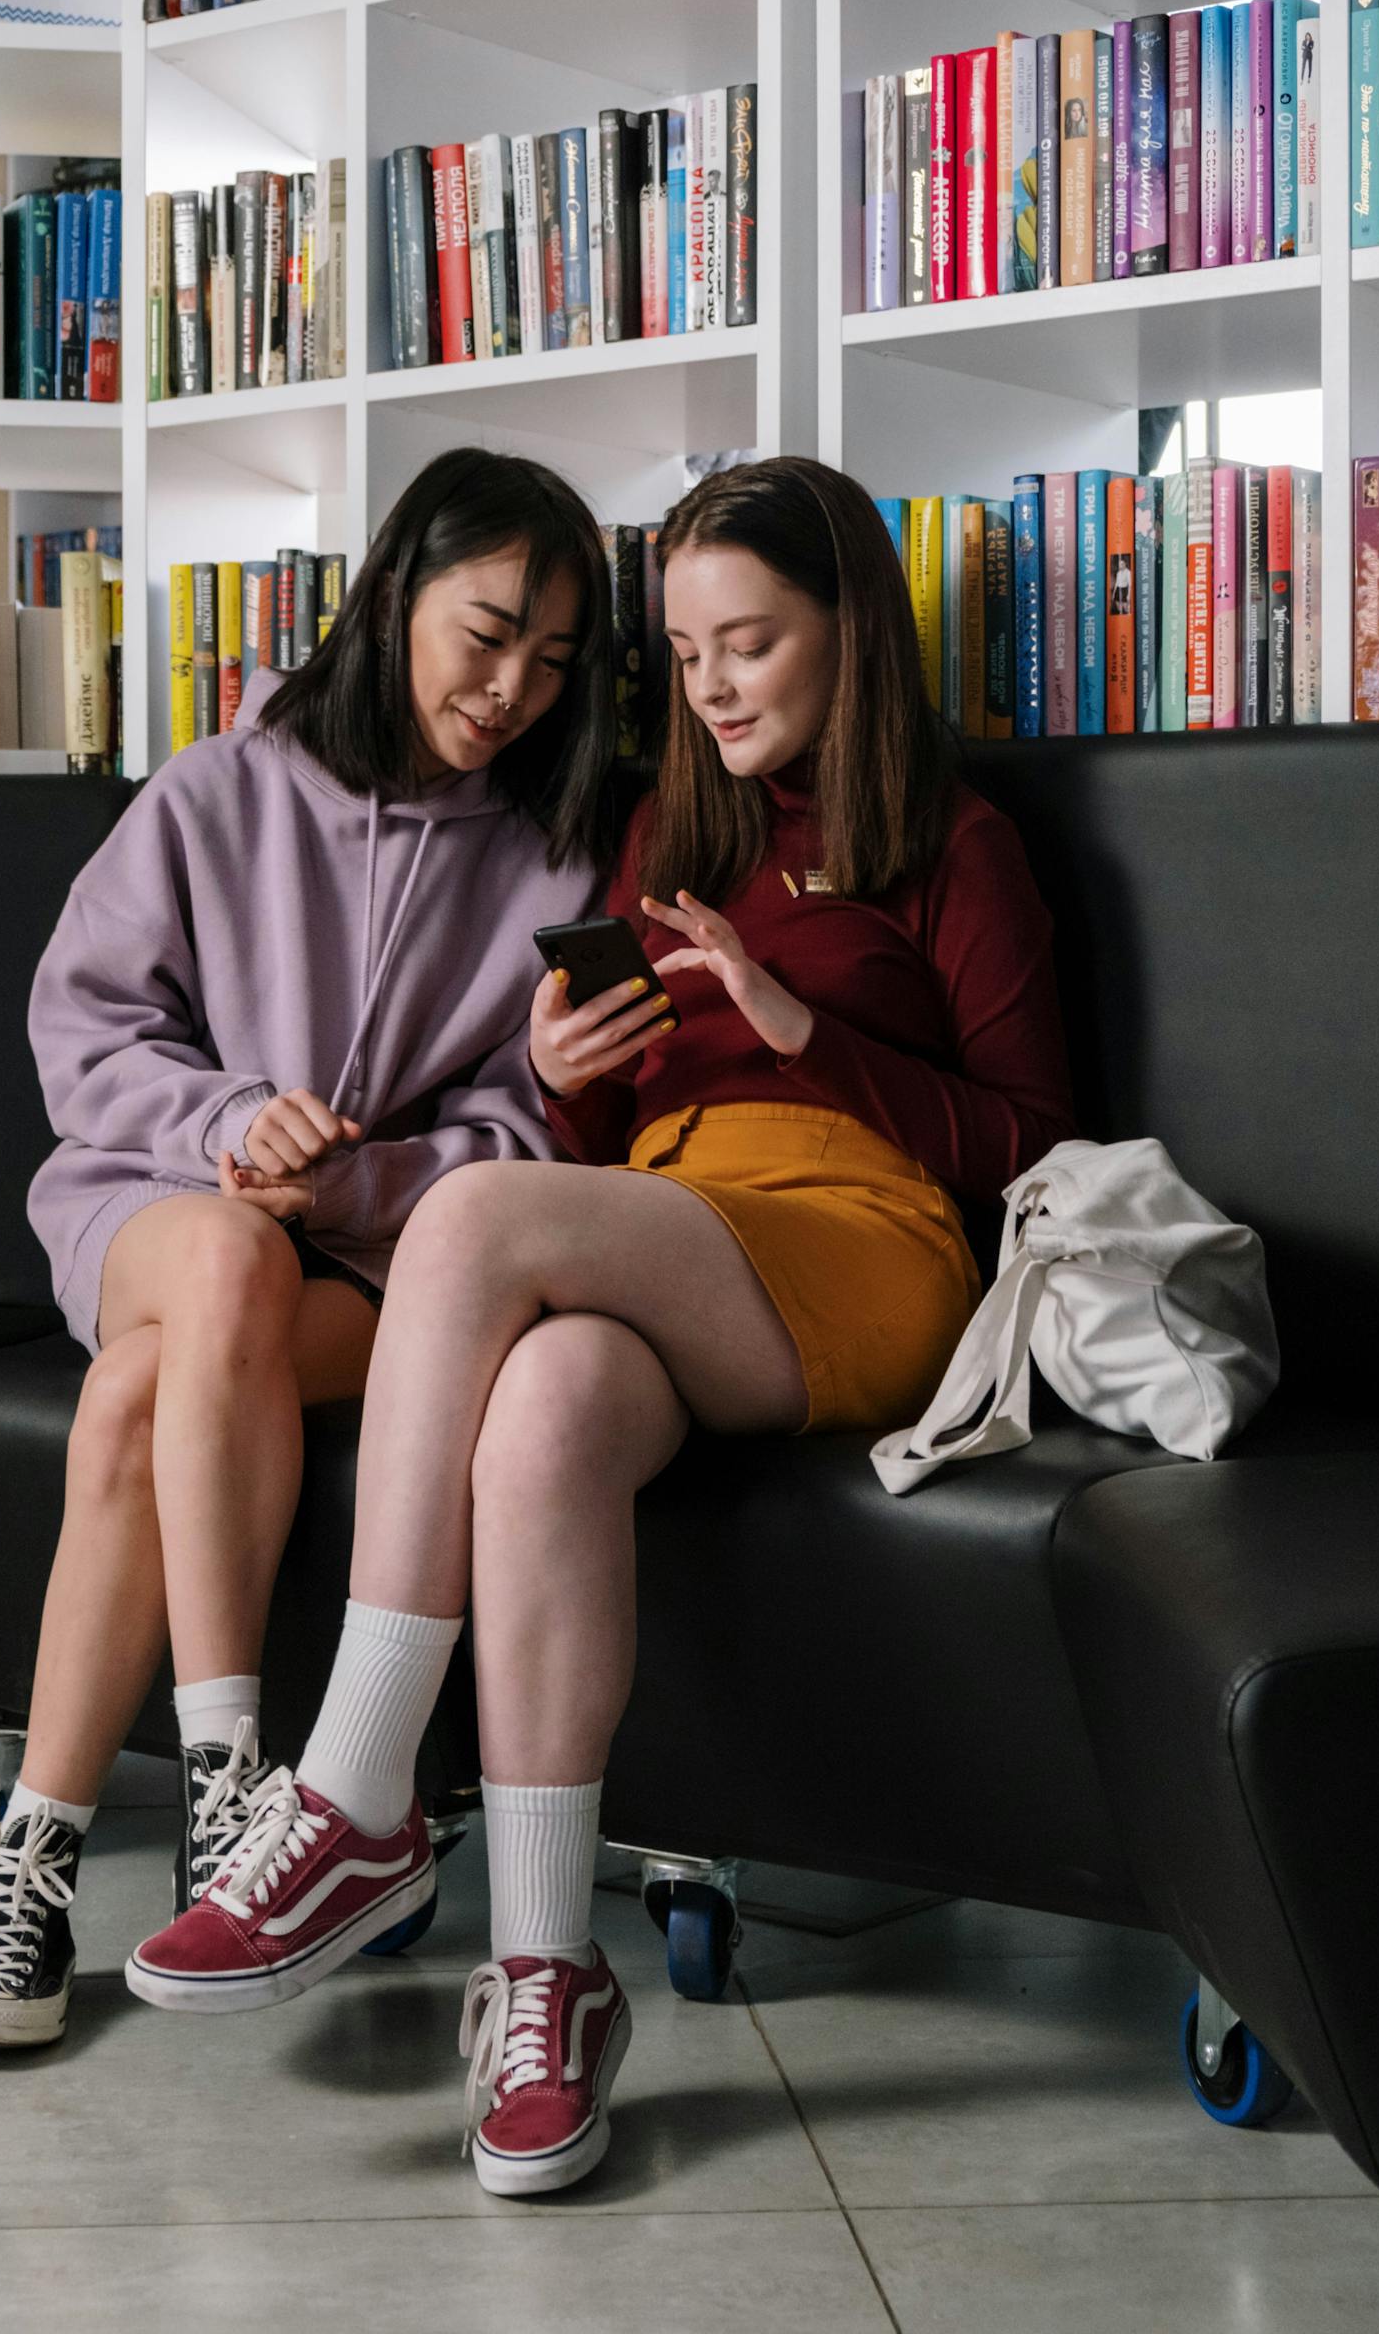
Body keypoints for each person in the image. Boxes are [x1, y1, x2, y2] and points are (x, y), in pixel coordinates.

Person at [130, 454, 1077, 2195]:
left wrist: (810, 1035)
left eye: (754, 645)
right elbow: (603, 1153)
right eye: (688, 652)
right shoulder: (666, 827)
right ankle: (549, 1974)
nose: (711, 687)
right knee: (549, 1400)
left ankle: (353, 1797)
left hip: (865, 1237)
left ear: (849, 638)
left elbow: (1028, 1139)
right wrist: (569, 1092)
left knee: (468, 1214)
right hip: (668, 1225)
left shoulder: (955, 840)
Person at [0, 445, 616, 2052]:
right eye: (486, 631)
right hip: (148, 1206)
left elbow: (538, 1133)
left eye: (553, 661)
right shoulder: (214, 793)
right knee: (222, 1272)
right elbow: (81, 1030)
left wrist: (366, 1182)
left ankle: (33, 1847)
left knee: (139, 1399)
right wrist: (229, 1122)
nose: (512, 687)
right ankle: (236, 1774)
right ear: (394, 601)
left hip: (388, 1264)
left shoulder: (557, 849)